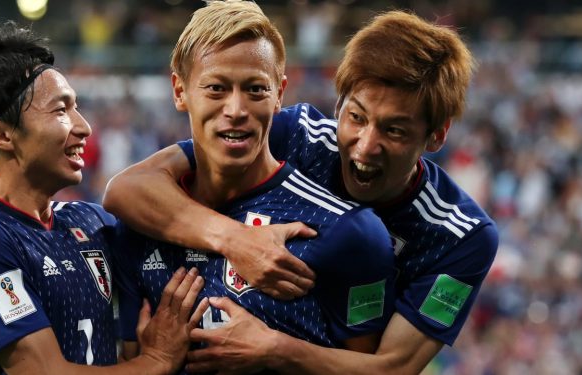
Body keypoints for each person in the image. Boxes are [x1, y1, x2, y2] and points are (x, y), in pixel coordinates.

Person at [103, 9, 499, 375]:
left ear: (437, 135)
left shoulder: (461, 236)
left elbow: (392, 368)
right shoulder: (297, 134)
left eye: (394, 130)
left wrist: (274, 347)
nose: (364, 145)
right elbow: (129, 188)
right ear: (338, 102)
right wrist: (237, 241)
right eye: (356, 117)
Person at [112, 1, 397, 370]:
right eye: (216, 88)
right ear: (180, 91)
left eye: (255, 89)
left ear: (279, 94)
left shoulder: (349, 232)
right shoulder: (137, 227)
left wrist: (278, 351)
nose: (235, 109)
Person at [0, 22, 206, 375]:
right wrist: (156, 362)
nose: (84, 126)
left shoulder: (91, 222)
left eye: (76, 107)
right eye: (61, 110)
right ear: (0, 134)